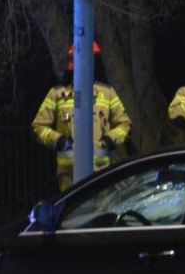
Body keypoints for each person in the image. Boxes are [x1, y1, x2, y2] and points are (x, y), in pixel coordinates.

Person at [31, 41, 132, 192]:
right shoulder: (57, 94)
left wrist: (110, 139)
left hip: (100, 172)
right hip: (69, 175)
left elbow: (125, 124)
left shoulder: (107, 93)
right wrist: (59, 141)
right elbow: (38, 127)